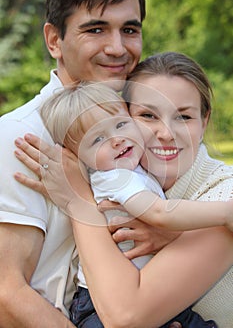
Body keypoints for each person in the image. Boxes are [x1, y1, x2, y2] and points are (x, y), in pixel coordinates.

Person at [14, 52, 233, 326]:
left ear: (205, 121)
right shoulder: (117, 179)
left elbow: (126, 316)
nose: (165, 133)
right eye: (147, 115)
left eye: (184, 117)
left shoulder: (225, 195)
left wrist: (78, 201)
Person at [0, 0, 153, 326]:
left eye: (129, 29)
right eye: (96, 29)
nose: (117, 48)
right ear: (55, 40)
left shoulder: (136, 123)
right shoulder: (21, 136)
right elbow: (7, 292)